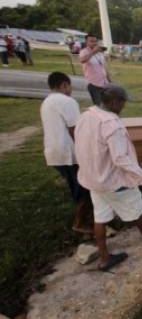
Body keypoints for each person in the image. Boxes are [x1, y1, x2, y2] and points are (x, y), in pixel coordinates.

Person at [75, 84, 142, 271]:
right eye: (123, 102)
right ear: (115, 102)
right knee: (136, 208)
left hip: (93, 178)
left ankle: (104, 257)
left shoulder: (86, 115)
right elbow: (120, 159)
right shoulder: (112, 124)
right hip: (113, 180)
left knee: (100, 217)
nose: (124, 106)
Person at [40, 72, 92, 235]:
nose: (70, 90)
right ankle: (79, 223)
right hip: (67, 153)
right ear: (64, 85)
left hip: (53, 152)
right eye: (69, 86)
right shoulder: (67, 101)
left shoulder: (46, 102)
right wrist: (87, 150)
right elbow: (74, 129)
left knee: (77, 187)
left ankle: (85, 218)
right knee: (84, 189)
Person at [79, 34, 110, 105]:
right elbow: (82, 60)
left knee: (107, 105)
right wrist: (93, 52)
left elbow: (104, 68)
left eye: (95, 41)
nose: (94, 43)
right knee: (99, 105)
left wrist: (109, 81)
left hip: (104, 83)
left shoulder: (99, 53)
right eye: (91, 41)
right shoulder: (84, 51)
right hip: (94, 84)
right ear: (86, 42)